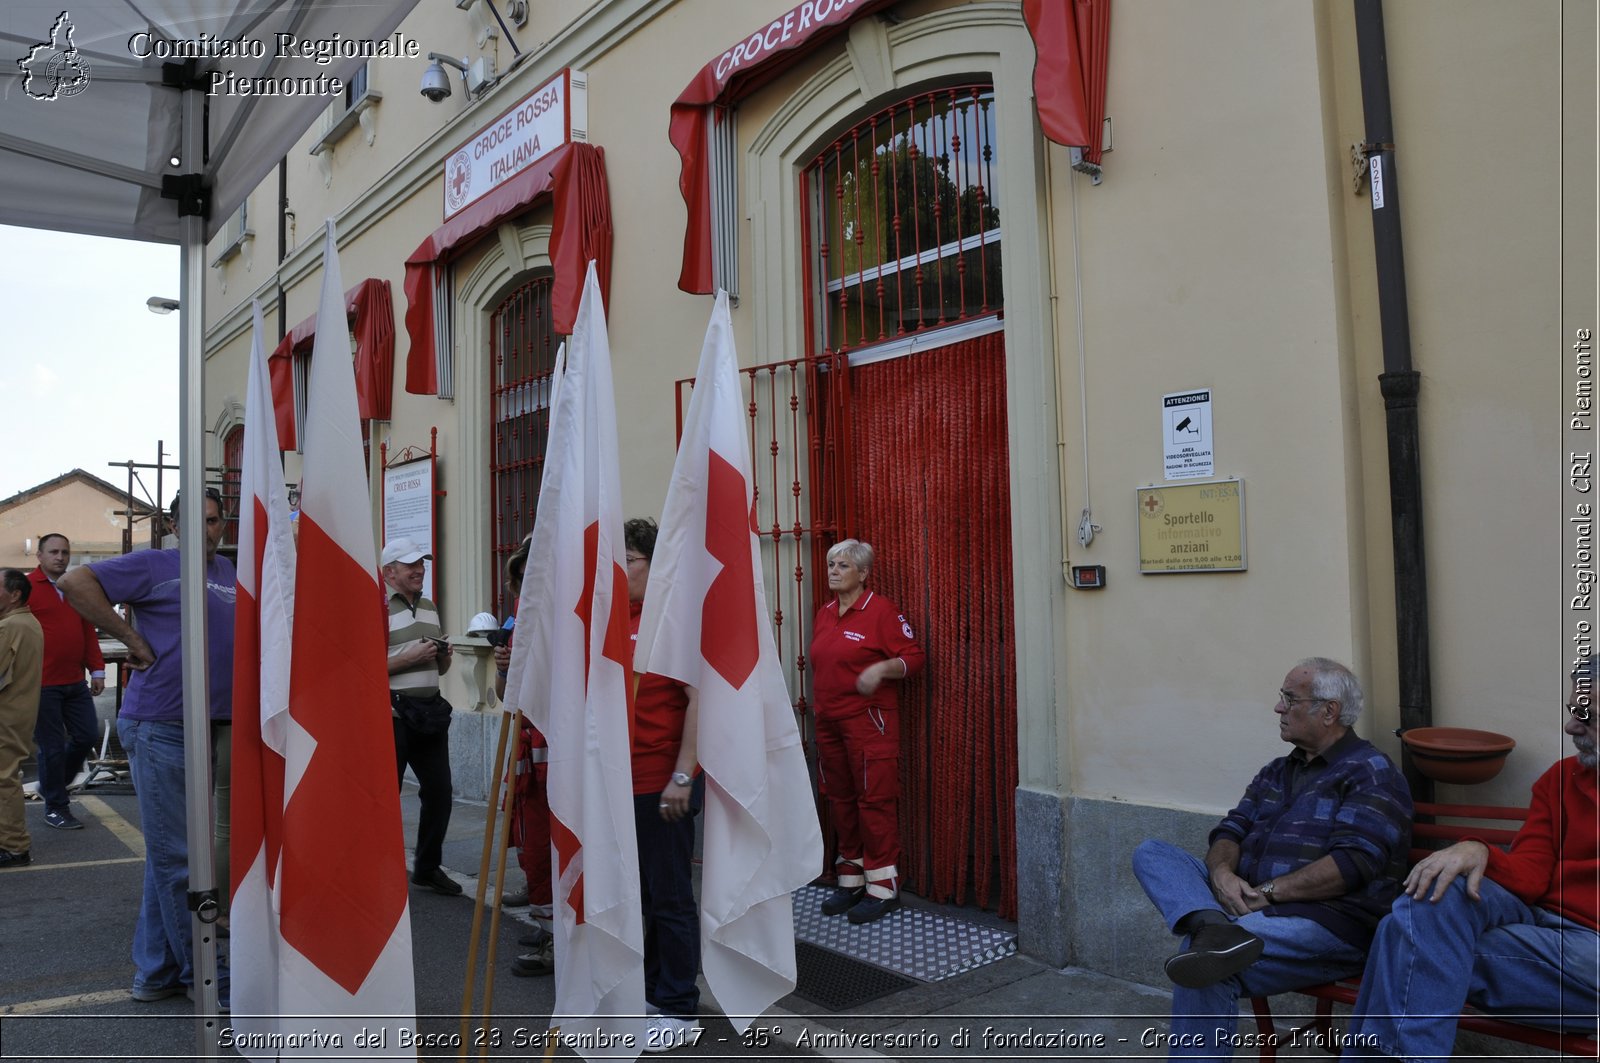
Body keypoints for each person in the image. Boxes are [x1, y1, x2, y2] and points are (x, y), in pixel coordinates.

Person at [1129, 658, 1412, 1060]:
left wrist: (1267, 894)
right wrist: (1222, 872)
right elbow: (1231, 831)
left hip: (1327, 923)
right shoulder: (1276, 771)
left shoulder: (1371, 771)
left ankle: (1213, 936)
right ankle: (1214, 928)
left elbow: (1352, 865)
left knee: (1202, 963)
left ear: (1328, 710)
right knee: (1152, 853)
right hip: (1245, 910)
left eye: (1289, 698)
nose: (1278, 708)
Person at [1341, 657, 1600, 1060]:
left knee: (1401, 937)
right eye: (1572, 712)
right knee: (1435, 892)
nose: (1571, 727)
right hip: (1541, 930)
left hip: (1591, 954)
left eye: (1588, 717)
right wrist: (1476, 848)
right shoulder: (1561, 778)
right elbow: (1530, 874)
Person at [60, 489, 235, 1003]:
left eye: (213, 519)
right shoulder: (157, 565)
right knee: (182, 858)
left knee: (170, 855)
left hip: (206, 726)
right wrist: (133, 642)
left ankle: (155, 971)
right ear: (174, 525)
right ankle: (205, 975)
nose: (206, 529)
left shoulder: (226, 573)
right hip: (161, 726)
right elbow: (75, 582)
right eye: (195, 521)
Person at [809, 538, 925, 924]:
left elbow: (913, 657)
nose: (834, 571)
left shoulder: (881, 611)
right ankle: (852, 875)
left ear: (863, 573)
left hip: (867, 721)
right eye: (831, 565)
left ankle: (882, 885)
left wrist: (880, 669)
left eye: (843, 566)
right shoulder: (825, 612)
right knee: (839, 798)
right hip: (829, 720)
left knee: (873, 799)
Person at [624, 517, 703, 1050]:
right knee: (643, 896)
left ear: (652, 565)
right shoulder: (614, 619)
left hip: (661, 782)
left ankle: (679, 1007)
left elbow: (700, 701)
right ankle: (653, 991)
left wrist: (683, 775)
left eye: (628, 559)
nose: (619, 568)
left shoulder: (671, 620)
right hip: (619, 783)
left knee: (671, 896)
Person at [382, 536, 461, 896]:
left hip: (429, 714)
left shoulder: (428, 605)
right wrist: (407, 659)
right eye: (411, 564)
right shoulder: (377, 605)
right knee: (385, 797)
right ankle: (379, 872)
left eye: (422, 563)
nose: (420, 570)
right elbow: (362, 667)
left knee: (441, 793)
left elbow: (440, 669)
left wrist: (443, 655)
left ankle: (427, 868)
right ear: (390, 571)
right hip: (393, 715)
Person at [493, 537, 556, 977]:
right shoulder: (521, 620)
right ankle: (549, 929)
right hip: (528, 755)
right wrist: (502, 668)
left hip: (558, 756)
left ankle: (559, 939)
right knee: (534, 850)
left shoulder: (567, 617)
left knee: (558, 849)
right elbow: (505, 698)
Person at [28, 534, 106, 831]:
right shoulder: (25, 589)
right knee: (51, 747)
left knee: (86, 737)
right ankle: (56, 807)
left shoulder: (76, 588)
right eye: (53, 552)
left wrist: (97, 670)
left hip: (75, 681)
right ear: (39, 555)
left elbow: (88, 629)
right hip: (41, 683)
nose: (60, 557)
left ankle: (52, 787)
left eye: (65, 552)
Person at [0, 568, 44, 867]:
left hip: (7, 714)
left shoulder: (11, 626)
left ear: (14, 595)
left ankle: (15, 847)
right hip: (18, 712)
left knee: (4, 779)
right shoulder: (26, 622)